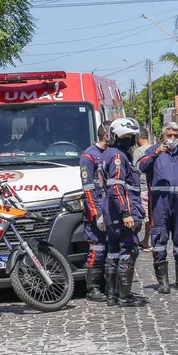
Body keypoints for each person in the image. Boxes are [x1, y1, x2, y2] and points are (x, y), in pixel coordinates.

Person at [137, 123, 178, 294]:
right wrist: (156, 153)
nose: (172, 139)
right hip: (159, 204)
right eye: (169, 135)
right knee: (159, 240)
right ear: (163, 136)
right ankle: (162, 281)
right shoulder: (153, 151)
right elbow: (141, 167)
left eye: (175, 136)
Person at [99, 117, 148, 307]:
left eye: (132, 137)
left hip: (111, 213)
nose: (131, 140)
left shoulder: (109, 154)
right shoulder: (118, 157)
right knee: (128, 251)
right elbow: (116, 187)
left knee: (113, 252)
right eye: (127, 137)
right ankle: (124, 296)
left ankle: (112, 295)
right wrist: (126, 213)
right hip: (121, 214)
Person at [79, 122, 110, 303]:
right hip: (96, 211)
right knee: (97, 249)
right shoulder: (88, 156)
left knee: (111, 249)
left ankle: (109, 284)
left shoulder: (112, 154)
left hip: (112, 209)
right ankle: (93, 288)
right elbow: (88, 188)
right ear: (106, 135)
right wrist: (97, 212)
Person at [132, 127, 153, 250]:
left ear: (138, 138)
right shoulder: (154, 148)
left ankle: (146, 241)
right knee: (150, 216)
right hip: (152, 187)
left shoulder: (139, 151)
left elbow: (135, 170)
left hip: (143, 187)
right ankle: (146, 240)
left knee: (145, 217)